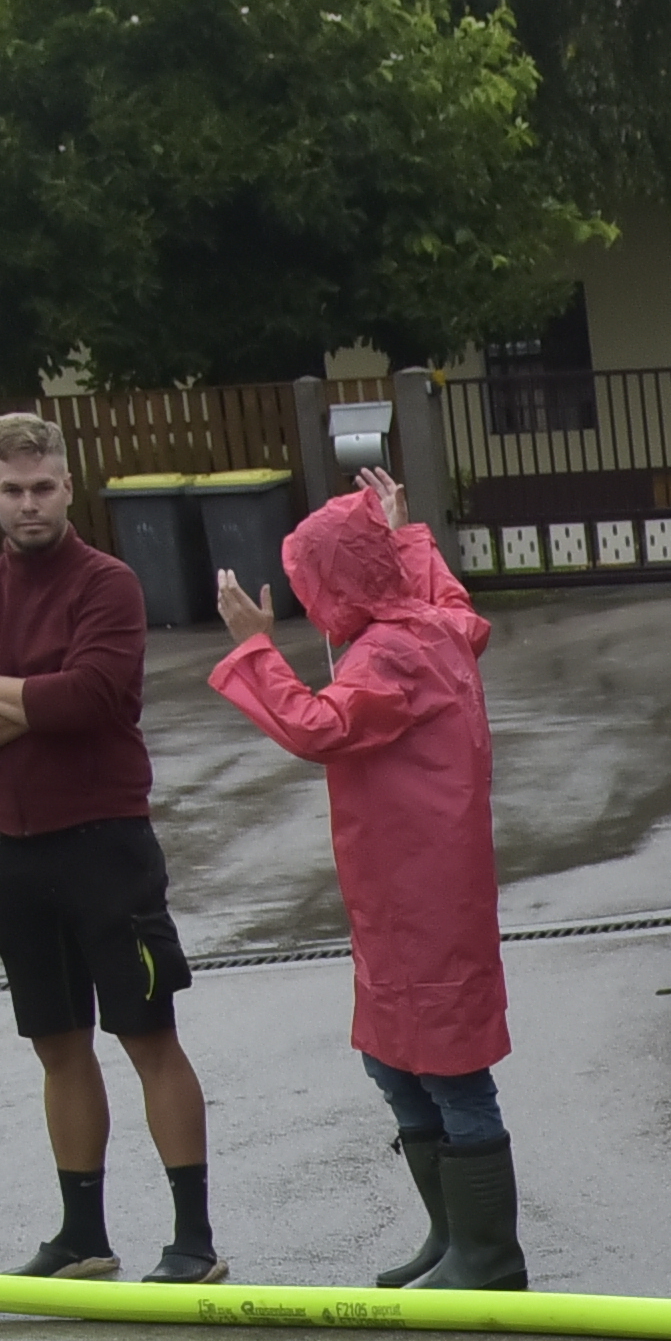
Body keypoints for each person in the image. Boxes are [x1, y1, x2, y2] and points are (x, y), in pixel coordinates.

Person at [206, 469, 526, 1289]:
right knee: (394, 1057)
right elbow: (449, 600)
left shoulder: (387, 655)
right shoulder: (432, 630)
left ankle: (487, 1258)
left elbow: (318, 726)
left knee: (449, 1068)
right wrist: (403, 535)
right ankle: (454, 1238)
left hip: (421, 897)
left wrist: (254, 648)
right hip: (402, 894)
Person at [0, 412, 214, 1280]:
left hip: (106, 847)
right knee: (58, 1044)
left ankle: (193, 1240)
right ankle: (83, 1236)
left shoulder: (107, 584)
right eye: (12, 490)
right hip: (12, 853)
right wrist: (35, 700)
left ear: (67, 486)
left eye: (42, 487)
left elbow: (95, 697)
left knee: (147, 1035)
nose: (29, 504)